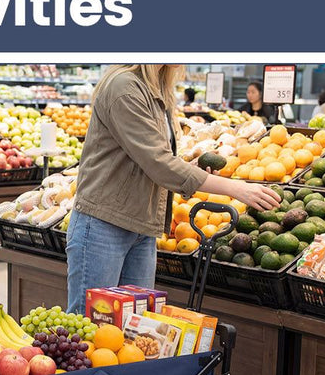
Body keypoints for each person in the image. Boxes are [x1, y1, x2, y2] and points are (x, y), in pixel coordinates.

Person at [66, 64, 279, 313]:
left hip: (142, 224)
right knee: (89, 327)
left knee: (136, 326)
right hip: (104, 224)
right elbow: (158, 163)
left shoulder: (156, 88)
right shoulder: (124, 87)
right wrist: (234, 188)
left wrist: (192, 167)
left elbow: (154, 157)